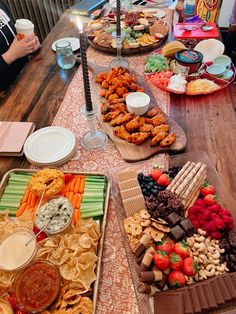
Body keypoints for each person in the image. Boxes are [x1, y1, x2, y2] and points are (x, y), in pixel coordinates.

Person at [0, 0, 40, 90]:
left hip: (25, 75)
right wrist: (12, 54)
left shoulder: (1, 4)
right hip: (6, 91)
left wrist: (30, 45)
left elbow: (16, 36)